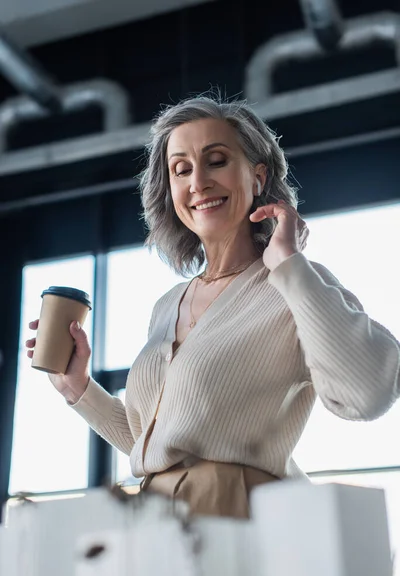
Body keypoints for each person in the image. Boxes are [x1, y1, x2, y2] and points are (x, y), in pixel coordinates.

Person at [26, 94, 400, 519]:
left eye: (217, 160)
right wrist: (80, 389)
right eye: (181, 169)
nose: (198, 182)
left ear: (258, 177)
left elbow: (370, 394)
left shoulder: (295, 283)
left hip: (239, 519)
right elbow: (161, 447)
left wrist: (290, 267)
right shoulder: (167, 305)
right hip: (156, 520)